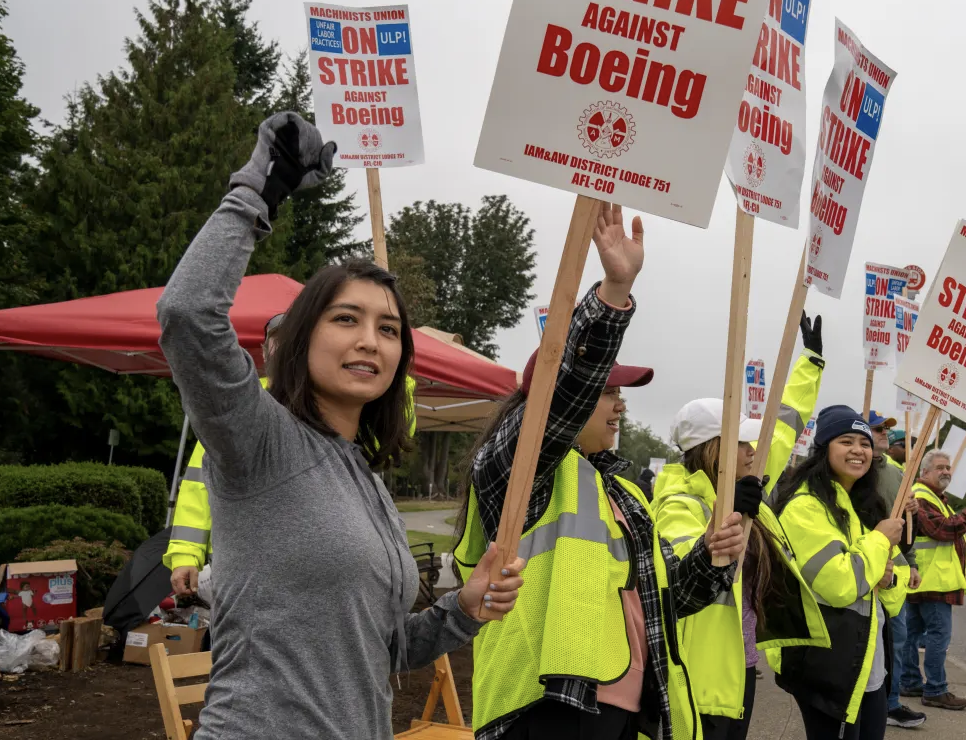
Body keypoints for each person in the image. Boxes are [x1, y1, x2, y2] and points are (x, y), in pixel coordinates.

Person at [156, 113, 524, 740]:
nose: (370, 341)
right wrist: (257, 190)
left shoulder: (367, 478)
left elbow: (377, 652)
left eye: (387, 329)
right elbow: (187, 315)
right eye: (346, 319)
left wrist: (462, 609)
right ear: (302, 336)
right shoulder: (261, 440)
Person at [456, 200, 747, 740]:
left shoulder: (623, 492)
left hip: (620, 708)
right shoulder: (521, 467)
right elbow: (562, 398)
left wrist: (711, 556)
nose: (619, 405)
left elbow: (666, 602)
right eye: (607, 391)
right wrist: (613, 295)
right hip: (544, 705)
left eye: (620, 393)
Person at [654, 315, 830, 740]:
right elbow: (682, 570)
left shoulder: (744, 481)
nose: (755, 450)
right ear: (715, 450)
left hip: (742, 665)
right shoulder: (679, 503)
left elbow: (784, 424)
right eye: (742, 442)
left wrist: (811, 362)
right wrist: (727, 514)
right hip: (699, 678)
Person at [166, 314, 420, 596]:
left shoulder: (329, 399)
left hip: (325, 562)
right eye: (275, 342)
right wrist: (185, 553)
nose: (282, 349)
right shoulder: (243, 402)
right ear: (264, 351)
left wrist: (395, 377)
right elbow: (199, 481)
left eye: (291, 341)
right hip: (248, 563)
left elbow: (390, 433)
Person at [771, 405, 913, 740]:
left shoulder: (867, 506)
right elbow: (838, 584)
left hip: (868, 663)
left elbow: (893, 591)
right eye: (845, 441)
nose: (858, 450)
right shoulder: (805, 506)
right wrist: (879, 542)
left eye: (864, 443)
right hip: (827, 665)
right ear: (823, 449)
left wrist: (887, 577)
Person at [900, 450, 966, 711]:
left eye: (948, 467)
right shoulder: (922, 496)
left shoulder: (932, 497)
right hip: (932, 579)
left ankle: (911, 681)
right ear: (925, 472)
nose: (947, 471)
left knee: (911, 633)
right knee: (938, 635)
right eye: (940, 467)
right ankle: (935, 689)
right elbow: (944, 529)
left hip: (922, 578)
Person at [865, 410, 925, 730]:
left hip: (894, 572)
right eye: (876, 429)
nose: (884, 433)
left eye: (885, 429)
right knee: (866, 640)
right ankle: (862, 702)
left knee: (896, 639)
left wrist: (911, 562)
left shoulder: (898, 473)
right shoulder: (853, 472)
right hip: (864, 569)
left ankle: (890, 702)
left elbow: (906, 524)